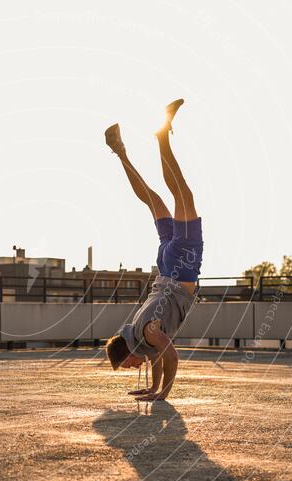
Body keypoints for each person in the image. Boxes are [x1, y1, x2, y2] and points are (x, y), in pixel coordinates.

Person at [103, 99, 203, 402]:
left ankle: (161, 137)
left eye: (127, 366)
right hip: (165, 265)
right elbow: (158, 357)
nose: (133, 368)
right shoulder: (138, 330)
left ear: (126, 356)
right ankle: (120, 152)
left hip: (181, 267)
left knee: (181, 192)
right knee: (153, 199)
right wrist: (152, 387)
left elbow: (170, 355)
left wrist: (164, 394)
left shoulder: (145, 333)